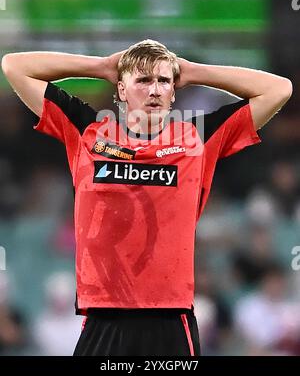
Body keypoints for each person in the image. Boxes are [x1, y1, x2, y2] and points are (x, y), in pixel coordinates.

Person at [1, 40, 292, 356]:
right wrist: (99, 67)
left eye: (163, 81)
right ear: (122, 90)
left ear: (173, 90)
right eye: (143, 80)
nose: (154, 90)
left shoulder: (197, 138)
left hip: (170, 318)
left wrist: (194, 72)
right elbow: (15, 67)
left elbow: (278, 90)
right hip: (103, 317)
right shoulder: (88, 131)